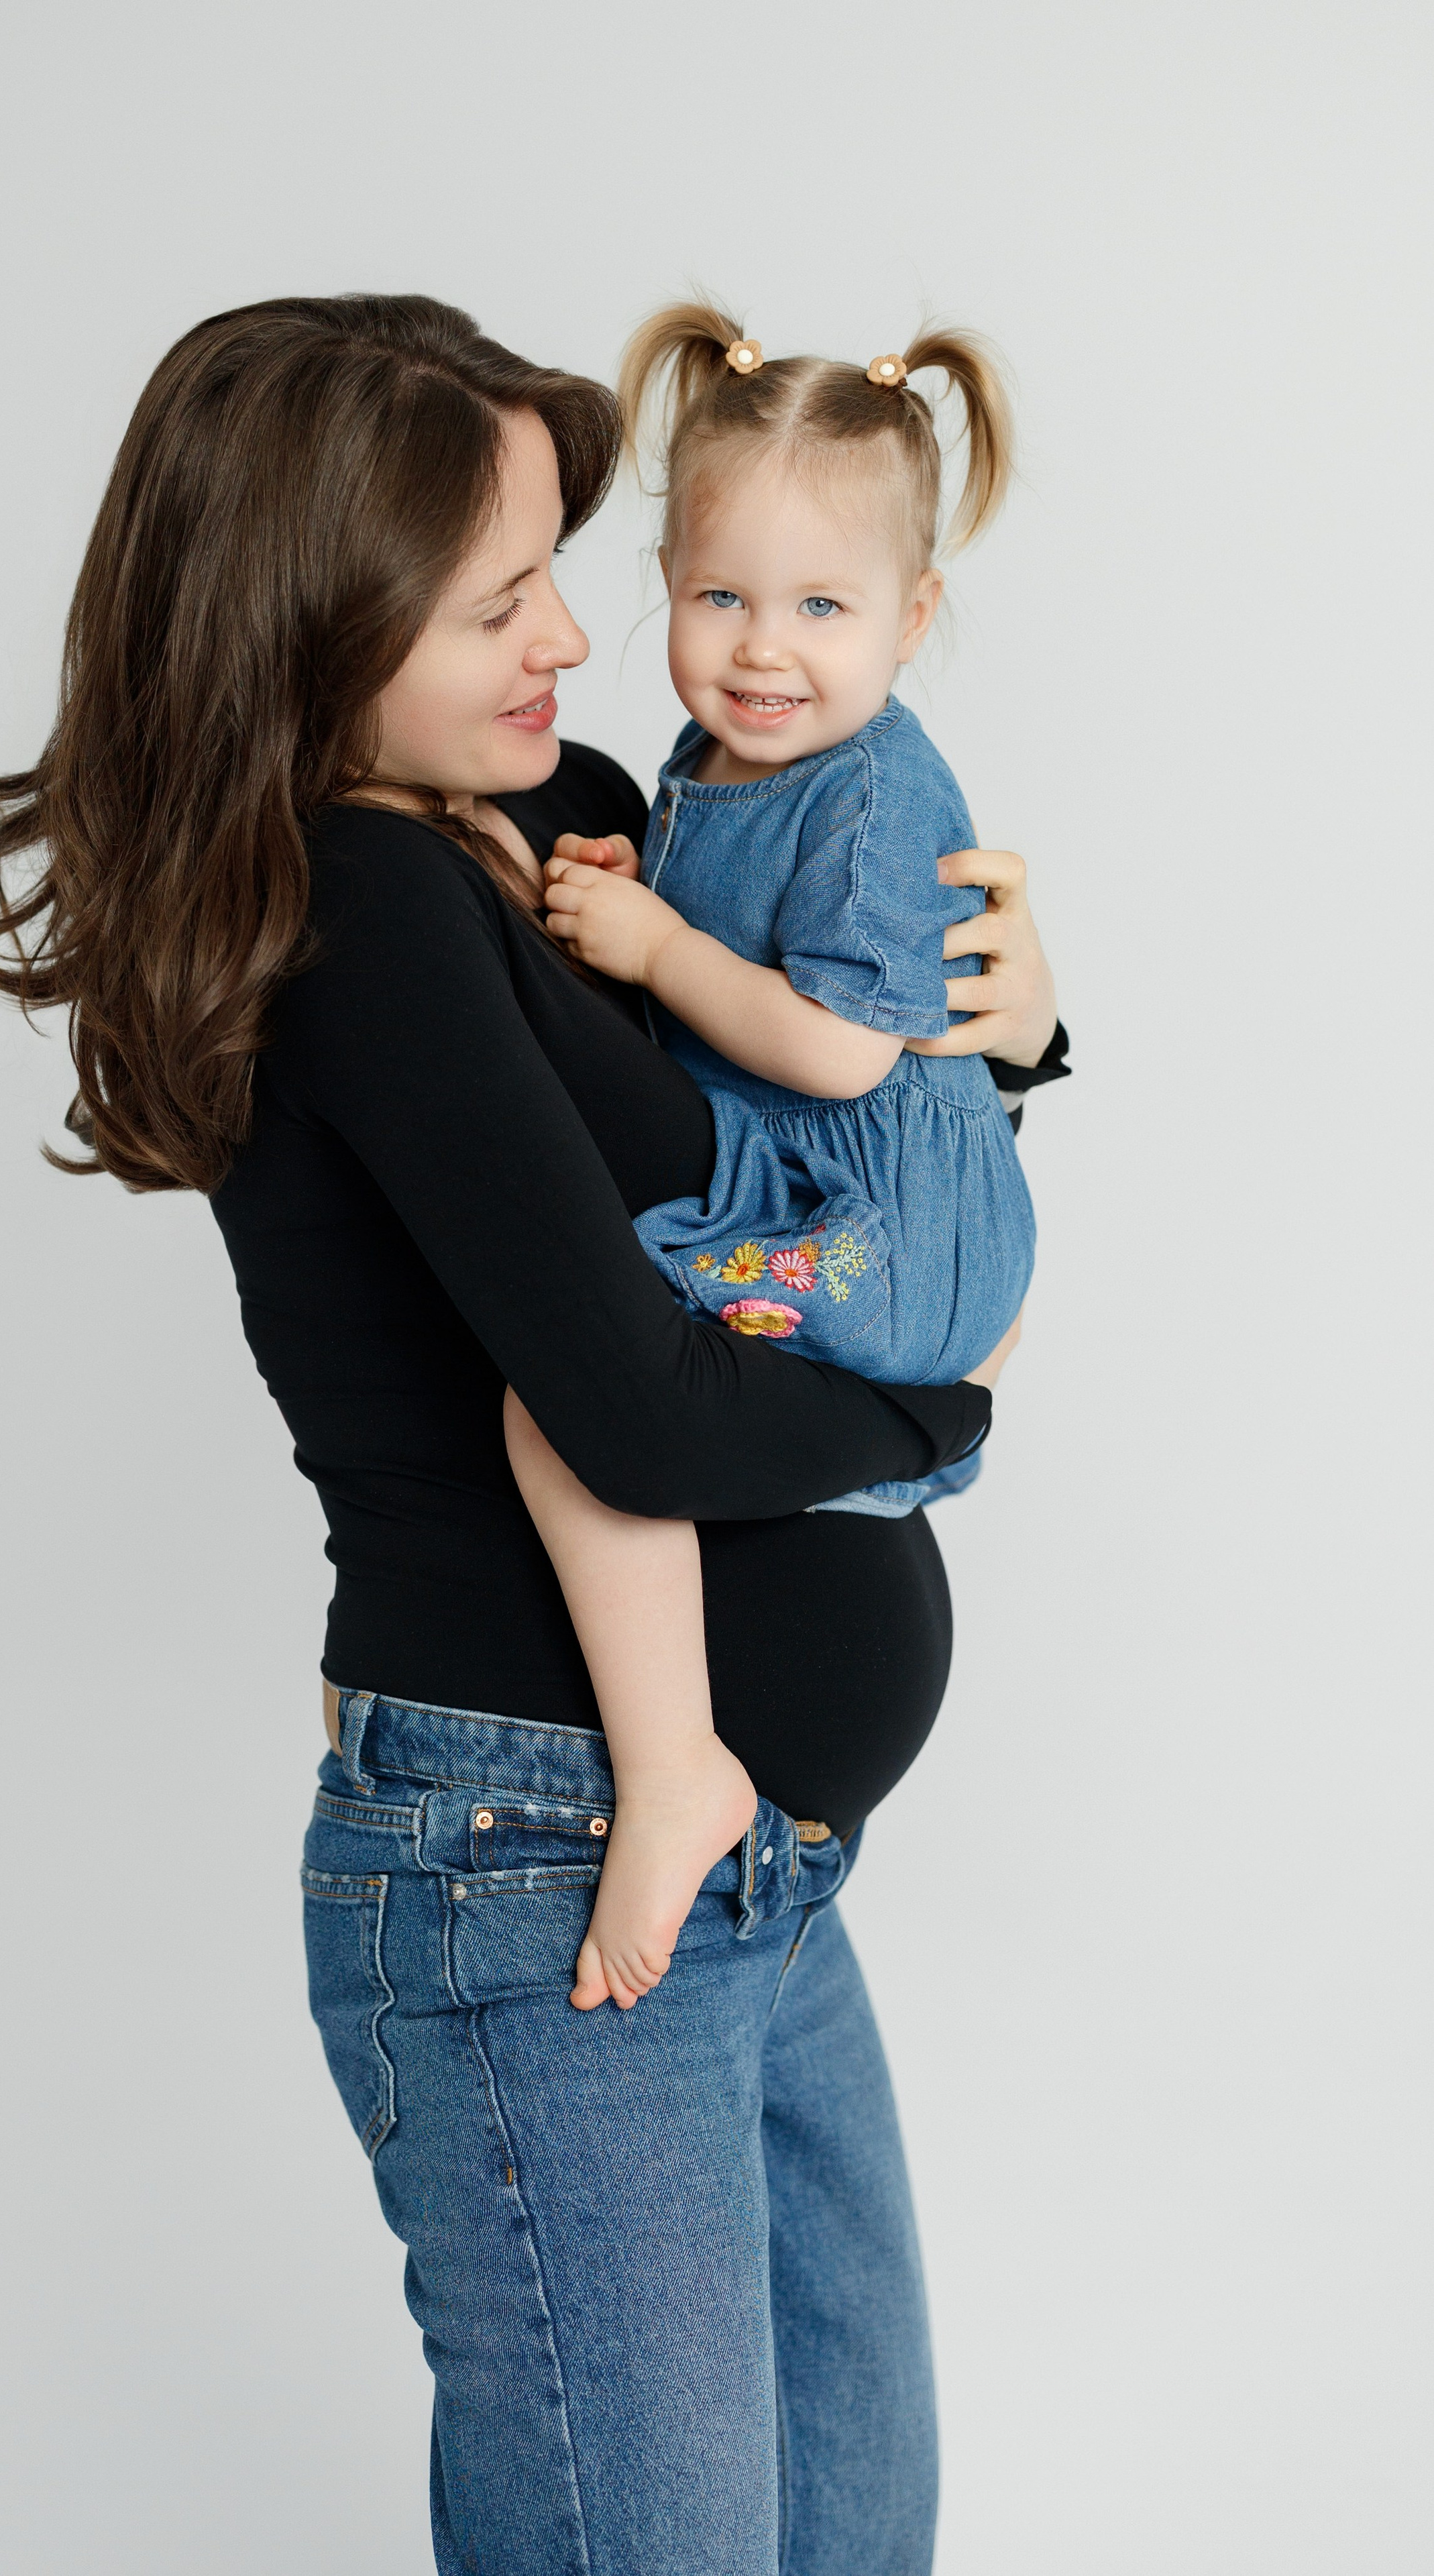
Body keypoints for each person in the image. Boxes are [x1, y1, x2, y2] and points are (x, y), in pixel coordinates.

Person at [0, 293, 1067, 2576]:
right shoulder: (361, 905)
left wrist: (1018, 1038)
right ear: (312, 619)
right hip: (541, 1875)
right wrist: (940, 1402)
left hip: (757, 1864)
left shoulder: (529, 825)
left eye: (567, 563)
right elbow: (635, 1403)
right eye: (498, 603)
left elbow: (808, 1062)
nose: (583, 635)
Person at [501, 303, 1046, 2015]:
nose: (762, 650)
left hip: (877, 1228)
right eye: (718, 597)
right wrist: (639, 889)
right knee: (587, 1356)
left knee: (568, 1387)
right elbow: (716, 967)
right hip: (832, 1206)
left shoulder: (876, 794)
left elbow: (832, 1046)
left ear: (913, 615)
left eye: (822, 608)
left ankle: (672, 1771)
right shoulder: (716, 759)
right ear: (664, 580)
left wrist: (657, 947)